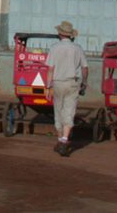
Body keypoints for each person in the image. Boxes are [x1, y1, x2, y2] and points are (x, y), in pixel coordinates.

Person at [45, 20, 88, 157]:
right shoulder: (78, 48)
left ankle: (60, 140)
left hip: (58, 83)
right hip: (72, 83)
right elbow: (85, 68)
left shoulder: (54, 48)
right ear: (71, 35)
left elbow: (50, 69)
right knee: (69, 112)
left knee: (58, 110)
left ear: (60, 34)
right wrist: (84, 83)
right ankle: (64, 140)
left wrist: (47, 86)